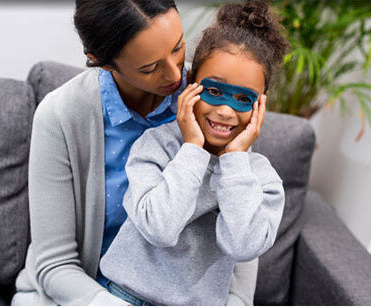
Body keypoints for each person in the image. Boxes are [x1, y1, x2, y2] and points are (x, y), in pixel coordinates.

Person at [18, 0, 258, 304]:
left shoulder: (214, 103)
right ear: (102, 61)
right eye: (149, 67)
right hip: (82, 296)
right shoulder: (59, 116)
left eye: (178, 47)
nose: (174, 75)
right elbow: (55, 266)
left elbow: (244, 222)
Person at [100, 1, 286, 304]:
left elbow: (243, 246)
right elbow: (159, 229)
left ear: (260, 106)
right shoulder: (155, 147)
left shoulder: (260, 178)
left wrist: (235, 159)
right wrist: (192, 150)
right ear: (189, 84)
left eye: (243, 98)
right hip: (123, 298)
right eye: (214, 91)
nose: (225, 110)